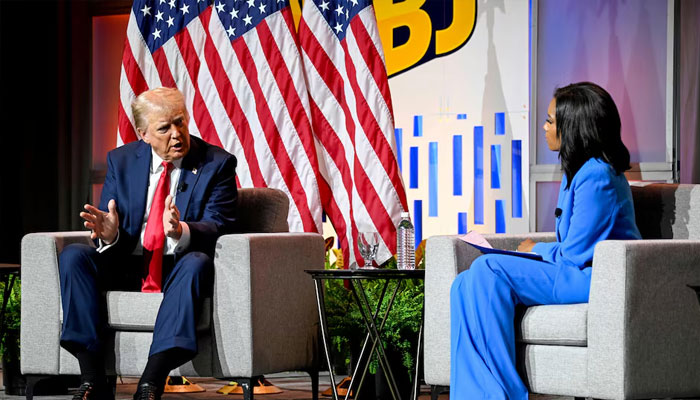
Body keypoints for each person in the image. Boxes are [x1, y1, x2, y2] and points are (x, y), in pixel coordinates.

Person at [449, 82, 642, 398]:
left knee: (488, 269)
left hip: (592, 278)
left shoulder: (598, 176)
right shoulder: (578, 171)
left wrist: (536, 249)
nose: (544, 126)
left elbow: (576, 253)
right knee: (464, 283)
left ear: (574, 127)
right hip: (572, 272)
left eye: (552, 121)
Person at [59, 87, 238, 400]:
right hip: (128, 262)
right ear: (143, 134)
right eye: (164, 128)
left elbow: (220, 225)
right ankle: (91, 379)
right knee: (74, 255)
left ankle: (151, 381)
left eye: (180, 123)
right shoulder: (122, 160)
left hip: (177, 267)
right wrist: (111, 234)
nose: (176, 134)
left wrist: (181, 229)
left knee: (196, 262)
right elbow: (113, 220)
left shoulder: (216, 164)